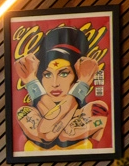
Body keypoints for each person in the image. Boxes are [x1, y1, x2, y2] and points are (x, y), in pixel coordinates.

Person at [15, 25, 110, 153]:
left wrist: (31, 83)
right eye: (47, 74)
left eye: (64, 73)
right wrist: (81, 85)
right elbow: (48, 132)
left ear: (78, 74)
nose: (55, 84)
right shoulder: (26, 112)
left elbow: (55, 132)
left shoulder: (95, 109)